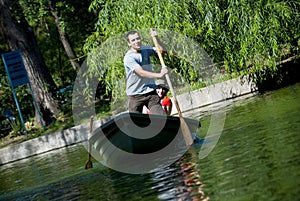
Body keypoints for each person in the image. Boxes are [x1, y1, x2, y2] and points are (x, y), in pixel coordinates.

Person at [124, 30, 168, 114]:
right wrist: (160, 75)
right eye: (133, 40)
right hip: (135, 95)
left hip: (150, 91)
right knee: (136, 123)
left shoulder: (145, 49)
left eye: (138, 39)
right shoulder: (129, 58)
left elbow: (161, 51)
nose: (137, 41)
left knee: (161, 117)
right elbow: (141, 73)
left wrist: (156, 38)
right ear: (129, 43)